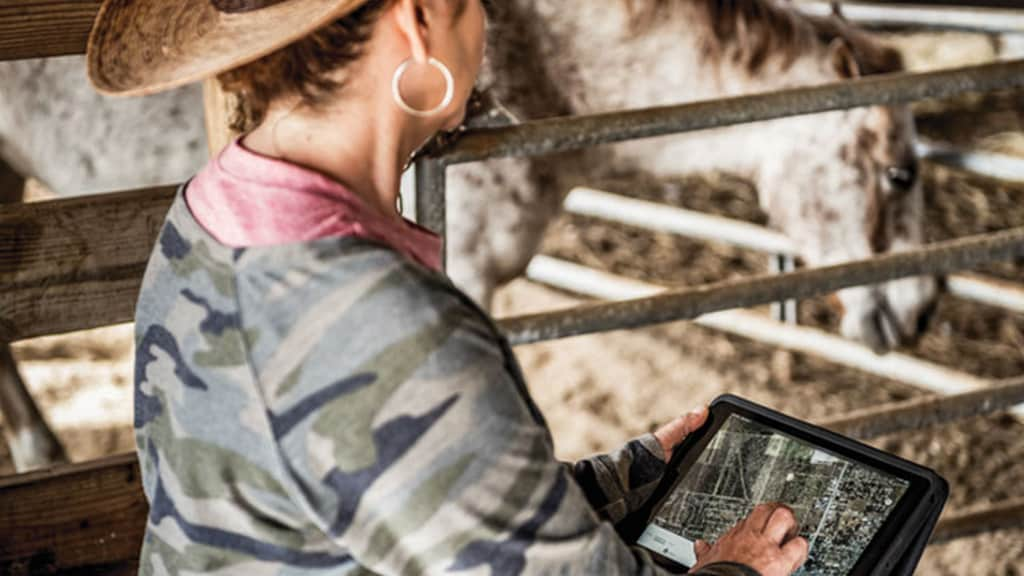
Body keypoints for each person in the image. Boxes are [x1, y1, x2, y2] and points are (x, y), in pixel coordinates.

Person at [87, 0, 809, 573]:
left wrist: (630, 477)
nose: (488, 24)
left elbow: (398, 496)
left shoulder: (208, 213)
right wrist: (734, 569)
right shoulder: (382, 323)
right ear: (419, 19)